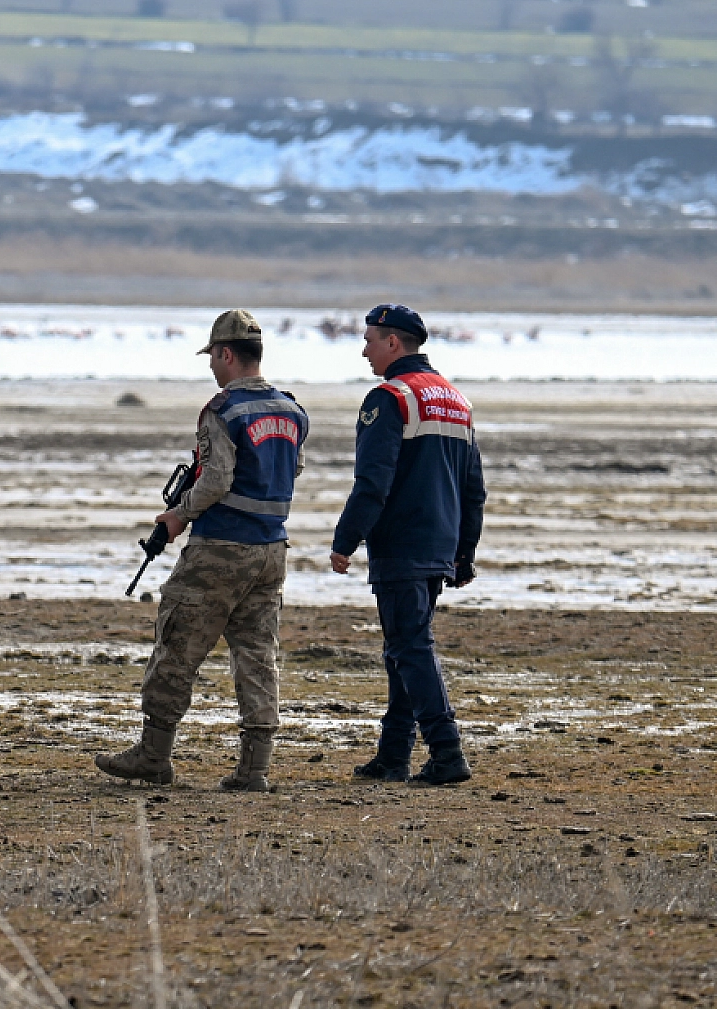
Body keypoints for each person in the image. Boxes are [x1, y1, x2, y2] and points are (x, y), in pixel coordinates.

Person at [96, 309, 307, 792]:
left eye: (213, 355)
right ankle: (254, 768)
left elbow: (215, 479)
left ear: (227, 354)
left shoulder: (222, 410)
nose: (211, 365)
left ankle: (154, 755)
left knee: (177, 646)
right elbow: (290, 472)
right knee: (257, 653)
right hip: (272, 550)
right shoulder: (293, 410)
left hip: (219, 549)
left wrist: (178, 515)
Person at [331, 304, 486, 787]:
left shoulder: (390, 397)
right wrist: (464, 552)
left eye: (370, 340)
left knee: (410, 646)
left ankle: (447, 752)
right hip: (440, 543)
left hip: (401, 543)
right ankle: (393, 754)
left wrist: (345, 540)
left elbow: (372, 481)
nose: (364, 350)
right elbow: (473, 487)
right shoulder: (455, 400)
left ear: (393, 343)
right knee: (403, 645)